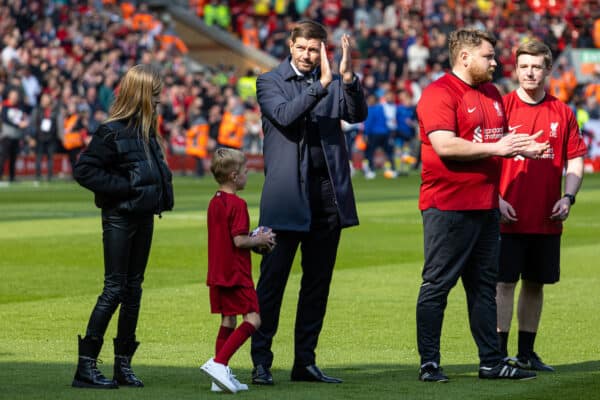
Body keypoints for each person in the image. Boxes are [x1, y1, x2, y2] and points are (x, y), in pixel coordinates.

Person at [415, 29, 548, 383]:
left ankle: (491, 361)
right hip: (447, 206)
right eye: (488, 56)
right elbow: (445, 146)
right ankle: (429, 363)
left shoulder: (491, 94)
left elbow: (496, 144)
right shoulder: (438, 94)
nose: (495, 62)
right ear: (464, 58)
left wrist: (520, 147)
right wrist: (500, 148)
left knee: (484, 287)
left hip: (485, 206)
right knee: (437, 285)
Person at [250, 20, 367, 385]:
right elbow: (285, 115)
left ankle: (305, 362)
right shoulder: (269, 81)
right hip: (286, 200)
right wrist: (323, 85)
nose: (307, 55)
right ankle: (261, 362)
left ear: (323, 50)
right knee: (271, 287)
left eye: (314, 49)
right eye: (302, 48)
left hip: (327, 199)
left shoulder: (331, 80)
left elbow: (356, 114)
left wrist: (347, 79)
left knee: (317, 286)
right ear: (290, 45)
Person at [71, 64, 174, 389]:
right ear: (144, 94)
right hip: (120, 217)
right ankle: (86, 367)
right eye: (156, 93)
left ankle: (122, 366)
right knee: (115, 289)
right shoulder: (112, 131)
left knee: (132, 291)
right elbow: (84, 170)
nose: (160, 98)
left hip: (142, 216)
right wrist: (125, 188)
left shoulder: (146, 131)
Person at [496, 40, 587, 372]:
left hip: (547, 217)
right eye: (524, 66)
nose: (529, 72)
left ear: (548, 70)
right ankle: (499, 353)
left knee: (535, 284)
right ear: (516, 69)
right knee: (503, 284)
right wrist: (497, 200)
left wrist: (569, 197)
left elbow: (575, 161)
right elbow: (484, 160)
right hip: (507, 215)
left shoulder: (562, 112)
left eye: (536, 66)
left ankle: (526, 352)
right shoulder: (501, 108)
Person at [199, 148, 276, 393]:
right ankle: (219, 363)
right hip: (236, 272)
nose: (247, 174)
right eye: (244, 171)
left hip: (218, 272)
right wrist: (261, 239)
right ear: (234, 176)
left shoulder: (214, 201)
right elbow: (240, 241)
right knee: (253, 319)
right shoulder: (238, 204)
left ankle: (218, 379)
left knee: (228, 320)